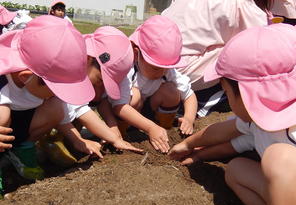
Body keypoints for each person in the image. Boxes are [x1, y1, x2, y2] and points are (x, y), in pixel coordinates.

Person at [169, 23, 296, 205]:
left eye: (227, 93)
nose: (227, 98)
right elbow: (225, 136)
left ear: (247, 95)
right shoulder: (259, 123)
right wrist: (193, 151)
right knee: (236, 170)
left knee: (279, 159)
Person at [0, 15, 95, 197]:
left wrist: (78, 141)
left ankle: (20, 150)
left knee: (56, 106)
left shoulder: (34, 79)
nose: (57, 93)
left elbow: (64, 118)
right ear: (25, 76)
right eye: (54, 88)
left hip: (17, 128)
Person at [42, 26, 143, 167]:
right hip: (23, 117)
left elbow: (80, 109)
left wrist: (114, 138)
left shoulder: (80, 69)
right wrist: (78, 140)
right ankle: (40, 142)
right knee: (58, 107)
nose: (101, 85)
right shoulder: (63, 66)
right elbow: (65, 108)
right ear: (89, 59)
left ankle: (58, 140)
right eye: (101, 79)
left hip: (51, 114)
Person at [161, 0, 274, 117]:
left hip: (157, 65)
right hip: (184, 73)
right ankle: (212, 98)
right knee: (243, 49)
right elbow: (262, 41)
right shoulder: (240, 4)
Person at [108, 15, 197, 154]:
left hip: (151, 111)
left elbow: (190, 95)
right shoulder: (128, 68)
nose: (162, 72)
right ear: (137, 52)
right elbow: (119, 106)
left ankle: (165, 130)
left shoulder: (167, 71)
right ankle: (122, 133)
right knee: (135, 95)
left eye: (166, 67)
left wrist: (189, 118)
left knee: (171, 91)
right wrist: (149, 128)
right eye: (156, 67)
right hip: (128, 112)